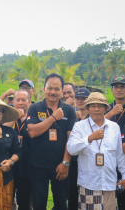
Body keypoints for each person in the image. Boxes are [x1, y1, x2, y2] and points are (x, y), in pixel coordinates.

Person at [67, 92, 125, 210]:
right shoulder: (79, 126)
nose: (96, 109)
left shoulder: (114, 127)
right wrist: (89, 138)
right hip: (88, 184)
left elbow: (119, 155)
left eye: (100, 106)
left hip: (109, 183)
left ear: (106, 108)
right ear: (87, 108)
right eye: (93, 106)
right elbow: (71, 149)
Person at [26, 73, 76, 210]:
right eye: (50, 88)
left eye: (57, 89)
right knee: (39, 203)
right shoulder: (35, 108)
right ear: (44, 89)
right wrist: (54, 117)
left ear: (61, 91)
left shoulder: (69, 110)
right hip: (37, 165)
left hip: (60, 165)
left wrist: (65, 163)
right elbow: (32, 132)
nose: (53, 92)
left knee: (61, 204)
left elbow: (70, 139)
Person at [104, 75, 125, 210]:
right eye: (116, 87)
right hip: (108, 157)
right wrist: (111, 113)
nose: (119, 89)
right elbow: (93, 125)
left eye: (122, 86)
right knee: (110, 196)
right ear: (112, 90)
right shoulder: (105, 109)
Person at [68, 87, 90, 210]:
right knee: (72, 193)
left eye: (84, 99)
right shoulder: (72, 117)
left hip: (88, 161)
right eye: (78, 98)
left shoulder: (93, 118)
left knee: (86, 193)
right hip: (73, 161)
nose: (80, 101)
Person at [12, 90, 33, 210]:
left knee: (24, 202)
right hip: (9, 167)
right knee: (7, 200)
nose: (20, 103)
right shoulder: (7, 119)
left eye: (24, 100)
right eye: (18, 100)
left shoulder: (33, 119)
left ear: (29, 102)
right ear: (13, 102)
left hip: (27, 167)